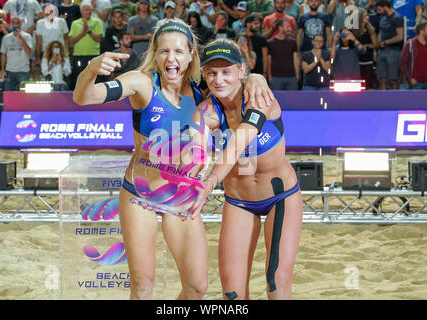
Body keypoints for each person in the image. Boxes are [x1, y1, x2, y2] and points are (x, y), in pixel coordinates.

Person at [73, 18, 275, 300]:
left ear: (191, 55)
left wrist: (256, 76)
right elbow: (84, 97)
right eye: (164, 51)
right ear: (154, 54)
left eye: (179, 51)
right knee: (143, 285)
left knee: (197, 287)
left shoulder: (200, 92)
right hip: (140, 195)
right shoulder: (141, 84)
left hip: (181, 196)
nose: (171, 58)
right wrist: (91, 70)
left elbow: (235, 83)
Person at [192, 38, 303, 300]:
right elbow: (196, 140)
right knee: (232, 294)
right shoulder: (208, 109)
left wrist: (210, 181)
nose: (219, 80)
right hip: (239, 201)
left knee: (276, 283)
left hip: (281, 197)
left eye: (226, 72)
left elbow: (239, 142)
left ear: (242, 71)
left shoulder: (260, 97)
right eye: (212, 73)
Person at [69, 0, 104, 89]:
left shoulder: (97, 22)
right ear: (81, 11)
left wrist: (88, 30)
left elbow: (98, 39)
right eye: (86, 10)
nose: (88, 12)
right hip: (78, 55)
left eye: (89, 10)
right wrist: (82, 32)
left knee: (95, 79)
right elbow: (72, 41)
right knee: (79, 78)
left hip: (94, 55)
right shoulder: (75, 23)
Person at [0, 15, 33, 91]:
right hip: (9, 70)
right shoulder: (6, 38)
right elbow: (3, 55)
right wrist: (2, 70)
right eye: (13, 23)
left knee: (25, 97)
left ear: (21, 23)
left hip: (23, 70)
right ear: (11, 24)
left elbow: (28, 52)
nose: (15, 25)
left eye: (17, 23)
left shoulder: (27, 36)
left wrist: (21, 38)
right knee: (8, 95)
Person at [376, 0, 404, 89]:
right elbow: (380, 32)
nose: (378, 12)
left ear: (385, 7)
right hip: (381, 51)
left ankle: (396, 101)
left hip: (394, 51)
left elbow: (400, 36)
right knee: (381, 78)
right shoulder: (382, 18)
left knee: (393, 79)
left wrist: (386, 42)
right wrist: (379, 43)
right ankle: (382, 101)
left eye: (379, 9)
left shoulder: (397, 18)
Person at [267, 18, 299, 90]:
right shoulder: (270, 43)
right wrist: (269, 76)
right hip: (276, 77)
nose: (290, 29)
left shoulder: (293, 42)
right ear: (280, 28)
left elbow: (296, 59)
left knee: (292, 100)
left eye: (290, 27)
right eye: (287, 27)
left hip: (292, 77)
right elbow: (268, 61)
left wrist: (297, 76)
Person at [399, 21, 427, 89]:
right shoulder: (410, 44)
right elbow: (402, 63)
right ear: (421, 31)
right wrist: (410, 78)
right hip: (416, 82)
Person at [356, 8, 378, 89]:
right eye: (365, 16)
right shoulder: (354, 30)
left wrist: (367, 46)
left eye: (367, 15)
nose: (368, 17)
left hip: (368, 60)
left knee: (368, 84)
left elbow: (375, 44)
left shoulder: (370, 29)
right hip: (357, 61)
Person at [245, 14, 269, 78]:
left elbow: (265, 57)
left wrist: (264, 72)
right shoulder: (242, 38)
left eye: (258, 23)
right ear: (248, 24)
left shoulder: (262, 39)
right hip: (245, 72)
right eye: (255, 23)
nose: (258, 26)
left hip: (259, 72)